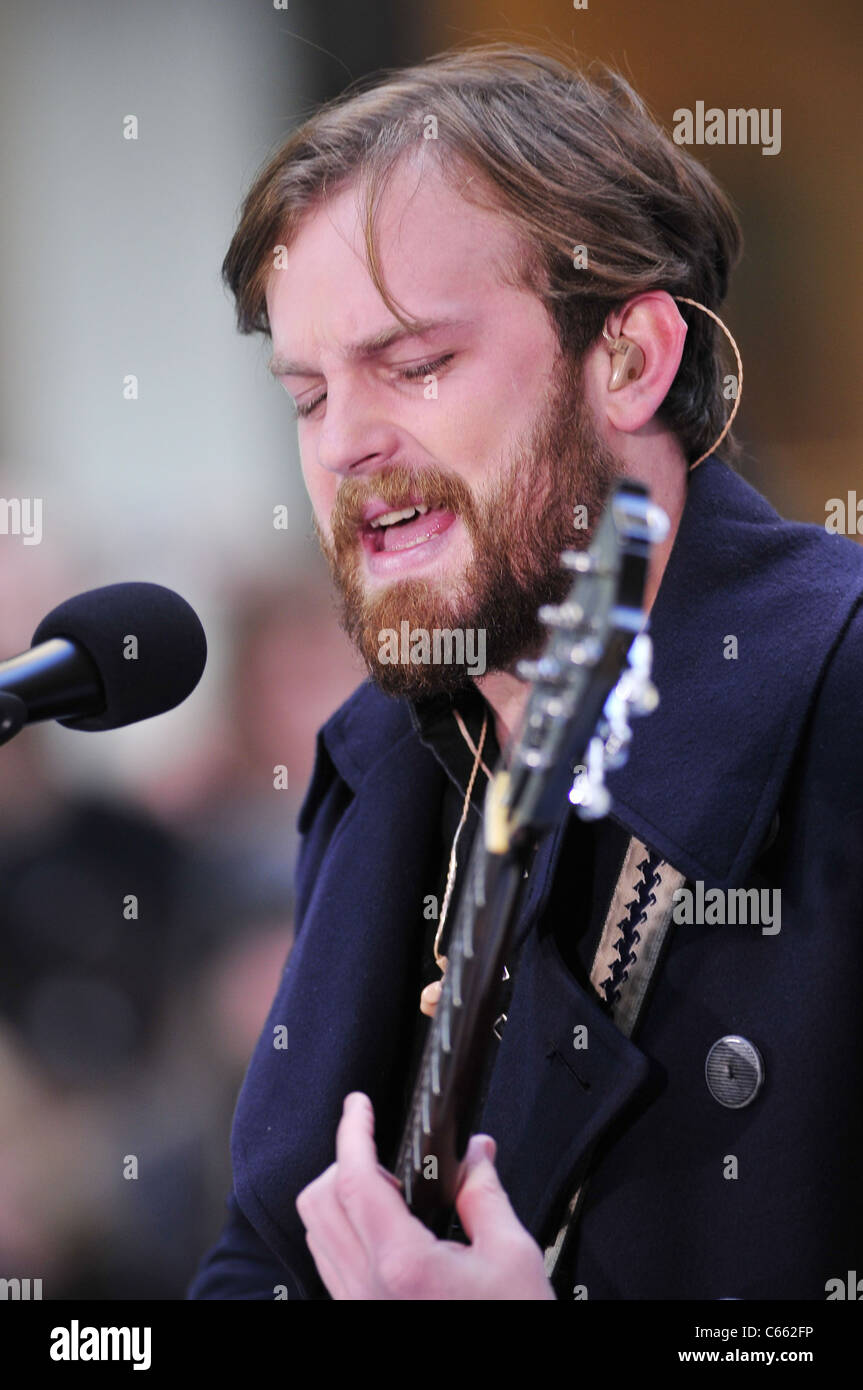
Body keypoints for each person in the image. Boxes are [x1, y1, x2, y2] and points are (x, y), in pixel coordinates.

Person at [188, 42, 863, 1300]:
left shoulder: (838, 688)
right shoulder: (385, 755)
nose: (344, 445)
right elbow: (265, 1253)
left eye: (414, 365)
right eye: (306, 393)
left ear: (630, 360)